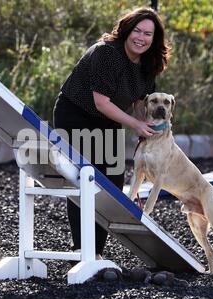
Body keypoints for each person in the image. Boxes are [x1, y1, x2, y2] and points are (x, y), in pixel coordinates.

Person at [53, 7, 171, 260]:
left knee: (114, 181)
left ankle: (96, 252)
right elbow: (101, 102)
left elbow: (141, 104)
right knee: (83, 177)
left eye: (148, 34)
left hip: (107, 119)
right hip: (76, 114)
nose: (141, 37)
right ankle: (82, 250)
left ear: (155, 39)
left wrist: (151, 131)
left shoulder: (148, 65)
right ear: (127, 31)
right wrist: (136, 125)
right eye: (137, 31)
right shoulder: (107, 53)